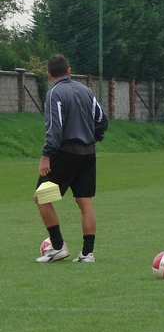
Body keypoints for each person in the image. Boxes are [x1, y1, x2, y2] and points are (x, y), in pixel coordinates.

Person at [35, 54, 108, 263]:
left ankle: (58, 247)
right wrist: (93, 137)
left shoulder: (54, 94)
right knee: (85, 201)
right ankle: (87, 253)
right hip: (88, 153)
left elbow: (54, 128)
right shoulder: (86, 91)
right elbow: (102, 120)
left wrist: (46, 155)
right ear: (69, 71)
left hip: (66, 154)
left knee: (41, 197)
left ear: (48, 74)